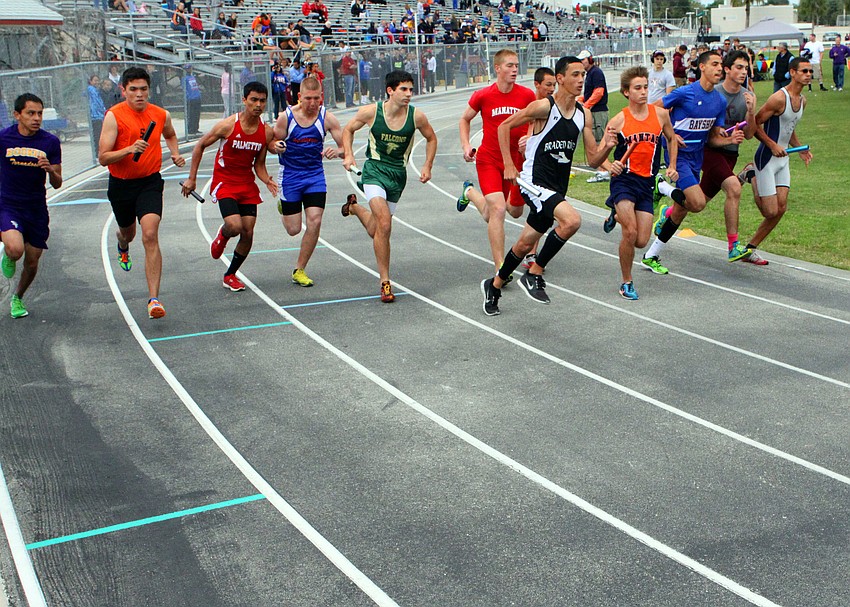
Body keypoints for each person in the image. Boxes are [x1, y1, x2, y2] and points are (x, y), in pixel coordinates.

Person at [479, 56, 599, 315]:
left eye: (583, 75)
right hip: (534, 183)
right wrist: (510, 164)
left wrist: (608, 146)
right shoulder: (544, 107)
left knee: (523, 245)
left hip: (556, 188)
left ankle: (494, 285)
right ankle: (534, 272)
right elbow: (504, 126)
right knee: (572, 221)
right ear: (560, 79)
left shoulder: (583, 115)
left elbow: (593, 159)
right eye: (575, 75)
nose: (581, 80)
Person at [642, 50, 744, 274]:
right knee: (697, 203)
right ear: (702, 67)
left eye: (721, 65)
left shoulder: (718, 101)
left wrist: (729, 138)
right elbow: (653, 110)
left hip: (697, 157)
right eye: (715, 64)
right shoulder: (684, 93)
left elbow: (713, 137)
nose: (719, 69)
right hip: (678, 155)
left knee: (680, 211)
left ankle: (651, 255)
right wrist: (669, 133)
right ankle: (662, 186)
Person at [340, 70, 437, 302]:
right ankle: (385, 281)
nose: (409, 94)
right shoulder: (371, 112)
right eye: (404, 89)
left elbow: (432, 138)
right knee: (384, 223)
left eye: (411, 90)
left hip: (397, 175)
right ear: (390, 90)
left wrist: (427, 165)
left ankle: (354, 208)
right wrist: (349, 155)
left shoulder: (416, 117)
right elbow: (348, 129)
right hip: (374, 170)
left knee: (377, 229)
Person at [98, 67, 185, 319]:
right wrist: (128, 149)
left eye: (143, 89)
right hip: (121, 185)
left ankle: (154, 299)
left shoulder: (160, 114)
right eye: (133, 89)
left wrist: (176, 152)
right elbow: (103, 157)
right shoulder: (114, 116)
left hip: (149, 182)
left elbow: (169, 134)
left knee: (150, 233)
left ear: (149, 90)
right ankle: (122, 243)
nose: (139, 94)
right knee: (129, 233)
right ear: (123, 90)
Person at [181, 82, 276, 291]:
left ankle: (230, 274)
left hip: (247, 184)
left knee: (248, 233)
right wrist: (192, 178)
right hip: (225, 181)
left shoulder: (266, 132)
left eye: (262, 101)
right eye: (254, 100)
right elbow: (200, 145)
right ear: (244, 100)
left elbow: (259, 164)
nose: (258, 105)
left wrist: (266, 179)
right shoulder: (228, 125)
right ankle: (223, 235)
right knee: (235, 226)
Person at [594, 67, 678, 301]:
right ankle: (626, 282)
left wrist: (672, 165)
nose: (643, 92)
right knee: (629, 233)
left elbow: (672, 138)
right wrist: (611, 166)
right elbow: (598, 155)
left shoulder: (660, 115)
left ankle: (615, 214)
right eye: (637, 88)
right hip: (624, 181)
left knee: (641, 241)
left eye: (645, 87)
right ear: (626, 92)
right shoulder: (618, 121)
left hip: (646, 183)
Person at [455, 49, 536, 274]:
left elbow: (536, 119)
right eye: (509, 65)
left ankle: (470, 193)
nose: (514, 70)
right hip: (489, 159)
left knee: (511, 211)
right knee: (498, 209)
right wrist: (465, 146)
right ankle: (501, 266)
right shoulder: (483, 95)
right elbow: (464, 119)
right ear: (498, 68)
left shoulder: (527, 95)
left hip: (516, 162)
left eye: (516, 66)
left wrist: (529, 137)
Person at [737, 57, 812, 265]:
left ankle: (750, 248)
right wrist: (772, 145)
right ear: (792, 72)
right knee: (769, 211)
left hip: (783, 159)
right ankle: (751, 174)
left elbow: (790, 126)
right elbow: (754, 125)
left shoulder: (802, 100)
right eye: (804, 71)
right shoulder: (778, 98)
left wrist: (800, 149)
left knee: (781, 209)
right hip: (767, 158)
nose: (808, 75)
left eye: (810, 71)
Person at [271, 77, 344, 287]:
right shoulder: (286, 118)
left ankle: (299, 269)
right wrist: (278, 146)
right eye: (308, 99)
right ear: (299, 97)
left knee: (315, 220)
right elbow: (272, 142)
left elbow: (344, 148)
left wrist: (336, 151)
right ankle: (284, 206)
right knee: (293, 229)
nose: (313, 103)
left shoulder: (327, 118)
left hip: (314, 175)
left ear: (322, 97)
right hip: (291, 175)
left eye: (317, 98)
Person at [0, 94, 62, 319]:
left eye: (39, 114)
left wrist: (50, 170)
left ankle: (17, 297)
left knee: (32, 260)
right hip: (8, 203)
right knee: (15, 250)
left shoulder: (50, 142)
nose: (36, 118)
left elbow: (58, 183)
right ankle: (8, 251)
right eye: (30, 113)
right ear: (17, 115)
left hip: (36, 208)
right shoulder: (4, 139)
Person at [696, 50, 758, 263]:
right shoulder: (716, 94)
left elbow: (749, 135)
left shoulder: (748, 96)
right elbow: (710, 137)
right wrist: (728, 138)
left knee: (699, 202)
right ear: (727, 69)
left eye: (746, 68)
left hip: (731, 155)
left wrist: (750, 112)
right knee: (734, 187)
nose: (743, 72)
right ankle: (733, 246)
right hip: (711, 151)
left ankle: (669, 211)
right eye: (739, 67)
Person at [577, 50, 611, 183]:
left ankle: (604, 171)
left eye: (583, 60)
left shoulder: (596, 73)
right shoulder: (590, 73)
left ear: (590, 59)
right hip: (594, 111)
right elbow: (590, 93)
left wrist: (586, 106)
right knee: (595, 142)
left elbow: (599, 92)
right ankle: (602, 170)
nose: (582, 63)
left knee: (598, 143)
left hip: (598, 112)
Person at [87, 75, 107, 152]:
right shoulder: (92, 90)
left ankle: (98, 151)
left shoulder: (95, 90)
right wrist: (103, 110)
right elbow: (97, 103)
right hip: (95, 116)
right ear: (91, 81)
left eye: (97, 80)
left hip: (98, 115)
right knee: (97, 135)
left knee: (98, 134)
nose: (97, 82)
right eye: (95, 80)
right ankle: (97, 151)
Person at [183, 64, 202, 135]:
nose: (189, 70)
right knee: (191, 114)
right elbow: (185, 89)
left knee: (197, 114)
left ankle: (196, 128)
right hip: (191, 98)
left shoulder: (192, 77)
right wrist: (188, 97)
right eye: (188, 69)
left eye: (190, 68)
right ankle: (190, 129)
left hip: (197, 97)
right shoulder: (185, 78)